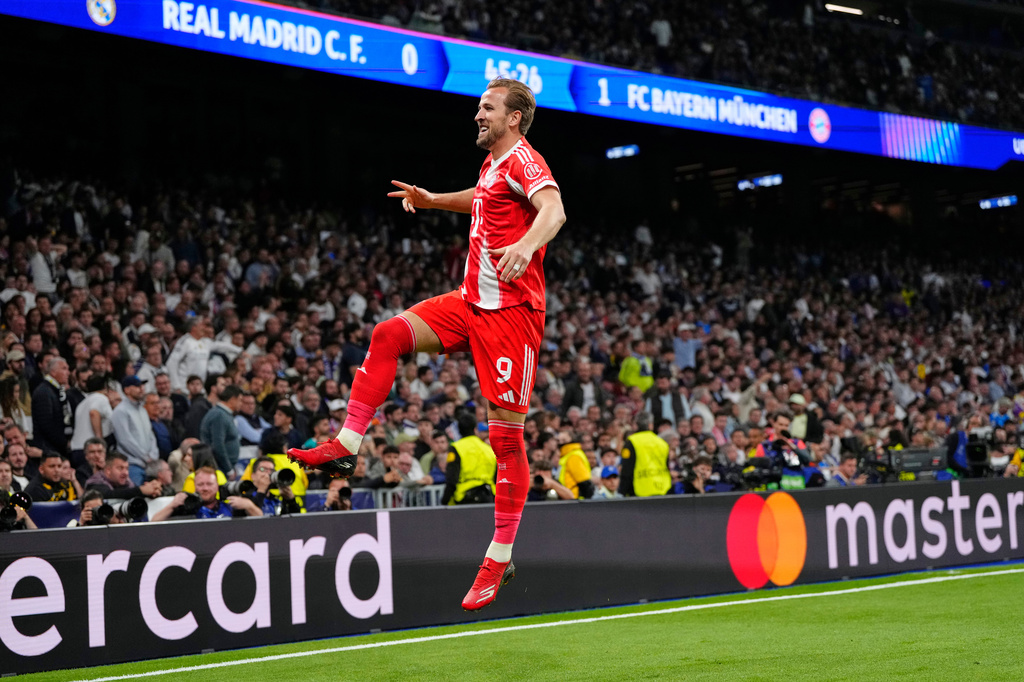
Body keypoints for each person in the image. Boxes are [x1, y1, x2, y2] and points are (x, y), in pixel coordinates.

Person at [288, 78, 565, 611]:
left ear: (513, 119)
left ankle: (499, 556)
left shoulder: (527, 161)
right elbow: (483, 201)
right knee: (388, 333)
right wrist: (433, 199)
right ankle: (346, 446)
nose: (477, 114)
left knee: (506, 442)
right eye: (479, 106)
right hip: (470, 302)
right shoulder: (493, 166)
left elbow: (553, 212)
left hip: (511, 316)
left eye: (487, 108)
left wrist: (527, 246)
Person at [152, 466, 262, 521]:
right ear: (195, 486)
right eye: (200, 484)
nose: (205, 488)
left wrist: (249, 505)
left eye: (209, 484)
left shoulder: (231, 506)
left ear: (217, 486)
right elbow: (153, 522)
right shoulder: (186, 507)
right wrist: (172, 505)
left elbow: (261, 521)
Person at [164, 316, 242, 392]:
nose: (204, 329)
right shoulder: (185, 341)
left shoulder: (205, 342)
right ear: (194, 327)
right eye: (201, 325)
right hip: (184, 387)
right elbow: (171, 363)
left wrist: (239, 350)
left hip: (200, 387)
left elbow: (221, 346)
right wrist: (176, 385)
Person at [111, 377, 159, 485]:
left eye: (142, 386)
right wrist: (145, 456)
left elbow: (150, 435)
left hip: (149, 464)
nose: (142, 389)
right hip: (132, 464)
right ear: (127, 390)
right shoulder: (120, 411)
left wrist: (153, 454)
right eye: (137, 386)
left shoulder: (142, 410)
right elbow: (124, 439)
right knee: (138, 498)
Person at [441, 415, 498, 506]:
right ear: (475, 429)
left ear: (459, 430)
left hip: (465, 500)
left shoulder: (456, 448)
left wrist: (445, 500)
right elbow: (497, 479)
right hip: (489, 498)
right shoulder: (489, 450)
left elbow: (452, 478)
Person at [619, 412, 671, 497]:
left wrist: (623, 491)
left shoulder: (631, 442)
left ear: (635, 425)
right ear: (650, 425)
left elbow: (626, 469)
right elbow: (667, 466)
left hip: (640, 490)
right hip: (663, 488)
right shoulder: (662, 443)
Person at [30, 356, 73, 457]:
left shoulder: (54, 390)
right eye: (64, 368)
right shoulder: (44, 392)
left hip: (55, 447)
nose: (68, 373)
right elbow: (47, 425)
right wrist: (64, 443)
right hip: (48, 448)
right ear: (53, 372)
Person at [200, 384, 242, 474]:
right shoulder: (219, 415)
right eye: (240, 400)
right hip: (219, 468)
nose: (241, 404)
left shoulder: (223, 414)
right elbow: (218, 444)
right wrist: (228, 469)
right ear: (232, 399)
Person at [84, 451, 163, 498]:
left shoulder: (128, 483)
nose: (125, 473)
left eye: (127, 468)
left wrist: (152, 490)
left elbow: (130, 492)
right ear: (108, 470)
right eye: (120, 468)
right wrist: (140, 490)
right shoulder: (95, 483)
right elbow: (109, 494)